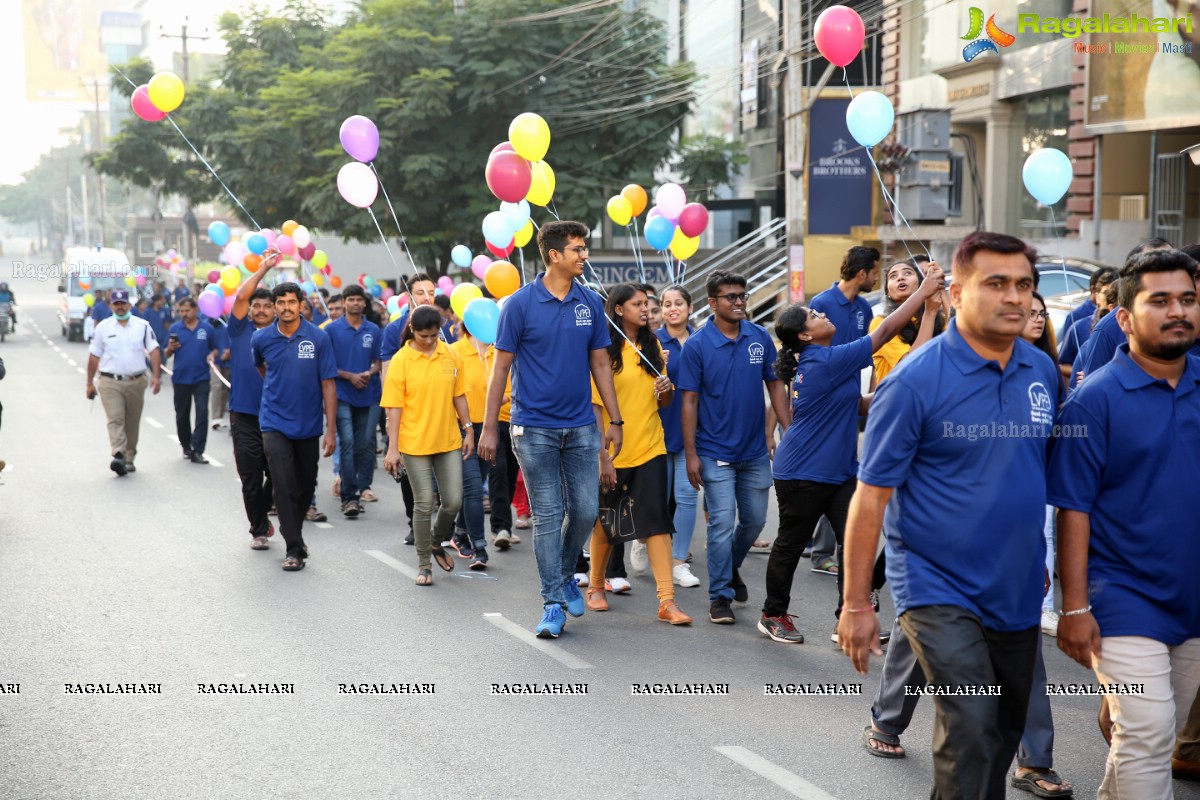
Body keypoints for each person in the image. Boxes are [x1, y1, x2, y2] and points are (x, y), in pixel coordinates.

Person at [838, 231, 1057, 798]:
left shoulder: (1040, 372)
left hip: (1014, 586)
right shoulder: (914, 381)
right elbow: (870, 498)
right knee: (971, 721)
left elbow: (1032, 477)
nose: (1015, 298)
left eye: (1024, 286)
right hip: (936, 585)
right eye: (997, 284)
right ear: (956, 293)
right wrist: (858, 603)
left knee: (1003, 731)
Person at [1051, 248, 1200, 799]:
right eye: (1159, 301)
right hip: (1123, 599)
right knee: (1148, 732)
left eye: (1186, 299)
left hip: (1194, 601)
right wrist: (1074, 606)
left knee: (1151, 739)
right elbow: (1073, 509)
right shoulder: (1094, 401)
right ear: (1125, 317)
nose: (1177, 311)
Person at [760, 262, 944, 646]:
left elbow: (859, 401)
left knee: (854, 543)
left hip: (841, 471)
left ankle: (848, 616)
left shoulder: (828, 361)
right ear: (806, 335)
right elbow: (888, 329)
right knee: (790, 546)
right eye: (814, 314)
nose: (822, 313)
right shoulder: (824, 360)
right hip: (802, 474)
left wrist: (927, 314)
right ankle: (773, 613)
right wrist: (923, 290)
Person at [478, 220, 623, 639]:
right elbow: (500, 369)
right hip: (532, 428)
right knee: (548, 515)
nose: (585, 255)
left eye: (585, 248)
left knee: (584, 510)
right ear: (554, 255)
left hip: (581, 427)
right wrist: (490, 428)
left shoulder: (590, 303)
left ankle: (561, 575)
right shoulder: (519, 304)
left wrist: (615, 420)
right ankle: (552, 602)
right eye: (577, 249)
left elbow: (600, 364)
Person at [678, 270, 791, 625]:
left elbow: (775, 388)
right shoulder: (696, 346)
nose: (740, 301)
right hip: (713, 453)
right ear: (713, 302)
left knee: (756, 521)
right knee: (722, 524)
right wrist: (692, 454)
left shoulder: (759, 337)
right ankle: (720, 597)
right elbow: (690, 403)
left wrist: (790, 431)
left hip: (754, 452)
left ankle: (729, 566)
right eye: (731, 296)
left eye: (742, 295)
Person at [584, 284, 690, 624]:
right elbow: (595, 406)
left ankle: (666, 602)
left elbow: (663, 402)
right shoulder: (601, 348)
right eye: (638, 304)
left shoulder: (652, 344)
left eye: (648, 304)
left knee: (658, 520)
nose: (646, 309)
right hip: (613, 450)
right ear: (618, 309)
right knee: (608, 519)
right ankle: (596, 586)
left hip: (651, 445)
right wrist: (603, 453)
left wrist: (666, 389)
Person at [382, 305, 473, 585]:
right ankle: (424, 564)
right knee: (423, 503)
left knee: (454, 501)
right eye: (424, 336)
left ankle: (435, 542)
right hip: (413, 442)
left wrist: (469, 429)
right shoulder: (401, 360)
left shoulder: (450, 354)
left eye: (434, 335)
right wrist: (392, 448)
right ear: (412, 331)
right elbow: (394, 408)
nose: (429, 341)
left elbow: (459, 395)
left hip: (447, 439)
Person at [251, 281, 338, 571]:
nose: (286, 307)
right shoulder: (261, 339)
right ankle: (293, 548)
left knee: (304, 485)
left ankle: (295, 535)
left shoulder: (318, 338)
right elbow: (262, 368)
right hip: (273, 422)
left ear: (301, 304)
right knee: (282, 484)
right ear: (274, 306)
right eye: (281, 303)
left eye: (292, 302)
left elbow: (328, 384)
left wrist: (330, 430)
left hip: (309, 424)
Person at [381, 273, 439, 545]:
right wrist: (389, 412)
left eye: (431, 291)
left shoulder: (444, 327)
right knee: (409, 473)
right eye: (420, 292)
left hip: (439, 414)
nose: (427, 297)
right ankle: (414, 520)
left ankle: (438, 523)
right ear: (409, 296)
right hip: (407, 415)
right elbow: (386, 370)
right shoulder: (394, 330)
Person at [228, 252, 278, 550]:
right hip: (243, 414)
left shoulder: (283, 334)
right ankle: (258, 529)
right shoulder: (239, 330)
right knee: (249, 476)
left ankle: (264, 510)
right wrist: (263, 269)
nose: (260, 310)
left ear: (276, 310)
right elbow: (240, 295)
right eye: (256, 306)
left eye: (266, 306)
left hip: (276, 416)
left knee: (277, 473)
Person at [1074, 239, 1174, 384]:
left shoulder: (1187, 322)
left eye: (1171, 267)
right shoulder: (1108, 330)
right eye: (1154, 269)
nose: (1165, 276)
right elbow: (1095, 394)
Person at [85, 289, 162, 475]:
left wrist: (156, 377)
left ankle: (129, 456)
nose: (120, 307)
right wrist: (89, 383)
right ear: (111, 306)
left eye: (123, 304)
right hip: (110, 381)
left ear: (129, 305)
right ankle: (118, 453)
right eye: (116, 304)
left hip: (136, 381)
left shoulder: (142, 326)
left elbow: (153, 350)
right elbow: (94, 356)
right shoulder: (103, 327)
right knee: (115, 418)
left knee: (132, 422)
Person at [656, 285, 701, 588]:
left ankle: (678, 561)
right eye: (667, 304)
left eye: (679, 303)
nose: (673, 308)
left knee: (686, 498)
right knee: (660, 499)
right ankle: (646, 541)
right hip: (657, 429)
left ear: (689, 307)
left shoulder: (702, 340)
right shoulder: (652, 341)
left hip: (692, 432)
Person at [325, 285, 382, 518]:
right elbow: (326, 365)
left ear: (364, 303)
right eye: (351, 299)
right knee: (347, 442)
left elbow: (380, 361)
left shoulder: (374, 330)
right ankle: (350, 497)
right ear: (345, 302)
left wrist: (369, 372)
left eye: (359, 299)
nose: (355, 303)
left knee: (366, 444)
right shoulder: (332, 330)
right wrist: (350, 376)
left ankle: (363, 484)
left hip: (368, 395)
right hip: (342, 394)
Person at [449, 320, 500, 569]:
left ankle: (459, 531)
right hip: (462, 429)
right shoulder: (454, 351)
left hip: (489, 428)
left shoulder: (498, 352)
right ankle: (479, 546)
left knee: (477, 483)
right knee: (473, 490)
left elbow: (508, 391)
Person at [869, 256, 946, 383]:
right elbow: (911, 367)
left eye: (908, 273)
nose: (900, 277)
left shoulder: (939, 318)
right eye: (893, 276)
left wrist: (941, 287)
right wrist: (930, 312)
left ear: (922, 284)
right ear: (887, 291)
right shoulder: (880, 323)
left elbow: (961, 338)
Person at [165, 297, 218, 464]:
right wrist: (170, 349)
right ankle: (186, 445)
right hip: (180, 378)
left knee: (202, 413)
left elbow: (216, 347)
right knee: (182, 415)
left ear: (195, 310)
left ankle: (198, 450)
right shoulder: (176, 328)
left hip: (201, 377)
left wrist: (212, 354)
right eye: (181, 311)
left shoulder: (206, 328)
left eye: (187, 311)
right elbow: (165, 353)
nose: (184, 314)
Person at [1057, 267, 1118, 384]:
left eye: (1115, 294)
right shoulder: (1079, 326)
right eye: (1106, 293)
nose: (1111, 299)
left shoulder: (1128, 330)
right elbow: (1062, 365)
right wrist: (1086, 376)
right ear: (1097, 294)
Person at [208, 315, 232, 431]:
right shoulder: (206, 326)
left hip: (227, 361)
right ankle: (215, 417)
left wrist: (229, 351)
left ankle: (221, 416)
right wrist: (212, 353)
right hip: (214, 362)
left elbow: (233, 340)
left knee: (224, 388)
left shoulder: (226, 325)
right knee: (216, 386)